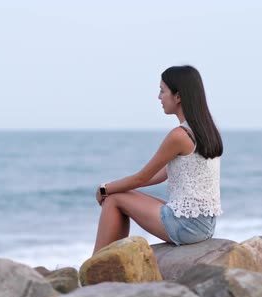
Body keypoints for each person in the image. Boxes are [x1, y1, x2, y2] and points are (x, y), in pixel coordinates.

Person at [93, 65, 223, 255]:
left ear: (177, 97)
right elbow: (161, 175)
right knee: (121, 196)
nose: (159, 97)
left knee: (113, 199)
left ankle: (96, 266)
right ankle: (109, 262)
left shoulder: (180, 135)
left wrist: (104, 189)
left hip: (187, 226)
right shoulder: (207, 129)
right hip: (204, 224)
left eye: (163, 91)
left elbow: (142, 177)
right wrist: (121, 188)